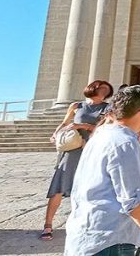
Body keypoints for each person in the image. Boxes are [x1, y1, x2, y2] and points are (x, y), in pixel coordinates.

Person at [64, 85, 140, 256]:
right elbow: (133, 200)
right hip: (111, 240)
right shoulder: (125, 144)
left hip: (87, 233)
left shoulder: (101, 136)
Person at [40, 80, 113, 242]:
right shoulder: (76, 106)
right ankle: (48, 224)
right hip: (73, 149)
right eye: (101, 89)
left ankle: (87, 225)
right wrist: (55, 134)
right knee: (59, 185)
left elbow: (105, 129)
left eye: (106, 91)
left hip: (92, 149)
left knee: (91, 188)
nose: (104, 93)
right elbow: (65, 123)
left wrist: (84, 126)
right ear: (92, 89)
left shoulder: (107, 109)